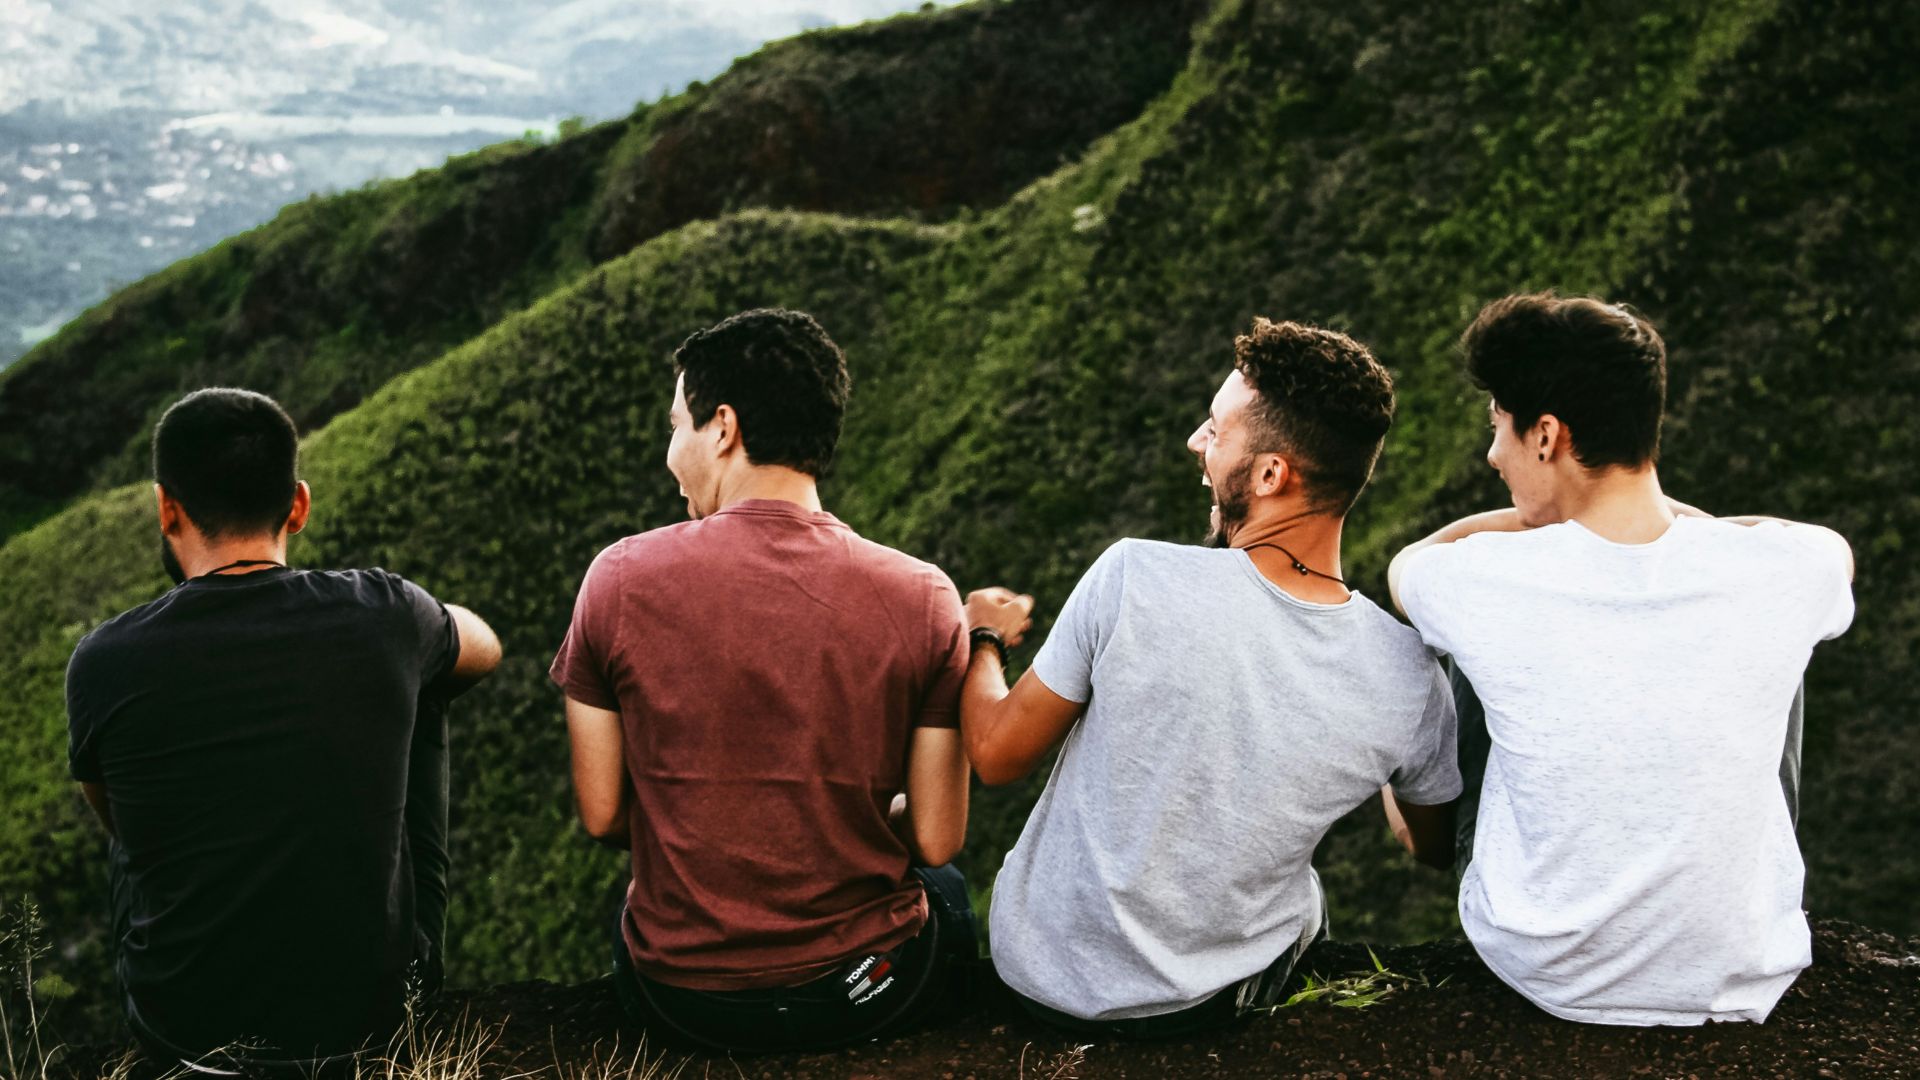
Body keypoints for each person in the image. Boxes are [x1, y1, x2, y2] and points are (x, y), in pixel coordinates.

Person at [963, 318, 1461, 1039]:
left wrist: (983, 638)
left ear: (1269, 475)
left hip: (1037, 980)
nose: (1197, 443)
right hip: (1203, 1007)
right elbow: (1431, 846)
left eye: (1215, 430)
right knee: (1306, 896)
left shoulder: (1132, 575)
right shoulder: (1410, 675)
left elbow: (996, 754)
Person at [1387, 292, 1855, 1026]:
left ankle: (1434, 843)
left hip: (1545, 963)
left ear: (1546, 435)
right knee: (1774, 639)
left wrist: (1532, 524)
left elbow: (1410, 566)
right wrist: (1681, 526)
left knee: (1463, 647)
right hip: (1738, 969)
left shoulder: (1480, 577)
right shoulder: (1787, 569)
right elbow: (1826, 548)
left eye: (1499, 429)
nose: (1491, 455)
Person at [550, 308, 978, 1054]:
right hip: (864, 992)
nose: (669, 453)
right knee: (947, 892)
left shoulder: (618, 579)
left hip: (682, 1000)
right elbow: (937, 837)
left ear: (723, 428)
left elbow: (604, 814)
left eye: (676, 425)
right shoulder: (925, 595)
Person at [65, 388, 502, 1072]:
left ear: (165, 507)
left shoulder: (102, 660)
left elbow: (122, 826)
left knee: (137, 800)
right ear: (298, 504)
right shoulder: (383, 613)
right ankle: (411, 976)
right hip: (365, 1017)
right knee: (428, 682)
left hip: (181, 1026)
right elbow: (485, 647)